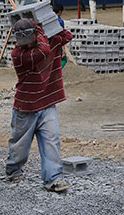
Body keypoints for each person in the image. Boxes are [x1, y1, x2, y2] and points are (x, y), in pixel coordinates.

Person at [5, 18, 73, 192]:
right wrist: (39, 28)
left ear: (35, 35)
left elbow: (66, 35)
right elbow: (43, 50)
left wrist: (51, 24)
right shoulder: (19, 55)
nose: (25, 45)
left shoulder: (48, 42)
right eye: (22, 42)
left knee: (52, 141)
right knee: (20, 146)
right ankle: (13, 171)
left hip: (47, 103)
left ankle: (53, 178)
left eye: (28, 40)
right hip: (25, 107)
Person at [52, 2, 67, 68]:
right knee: (64, 59)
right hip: (57, 43)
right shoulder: (60, 21)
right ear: (60, 12)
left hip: (48, 42)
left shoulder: (49, 19)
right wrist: (64, 49)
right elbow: (62, 35)